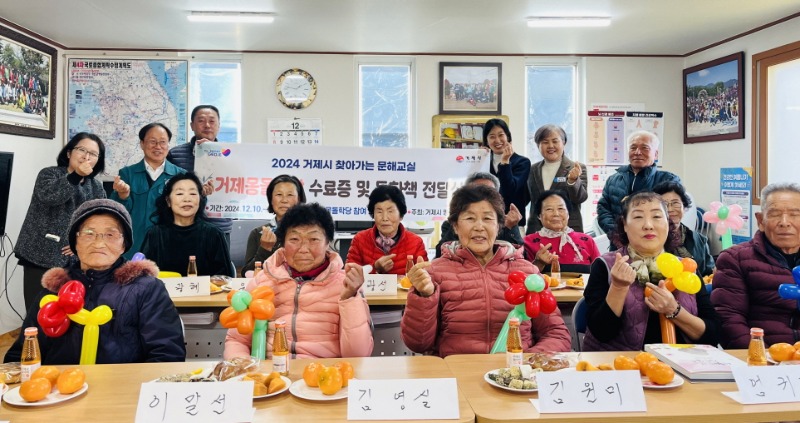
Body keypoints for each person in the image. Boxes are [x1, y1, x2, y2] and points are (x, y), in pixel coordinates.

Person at [4, 199, 185, 364]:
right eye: (89, 233)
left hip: (121, 394)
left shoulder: (146, 288)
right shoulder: (54, 290)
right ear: (74, 242)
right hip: (59, 392)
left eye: (110, 235)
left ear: (124, 245)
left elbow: (166, 354)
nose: (99, 243)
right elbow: (22, 353)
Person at [400, 185, 571, 357]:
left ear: (499, 226)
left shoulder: (528, 272)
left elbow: (556, 334)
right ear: (455, 226)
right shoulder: (435, 272)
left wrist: (525, 361)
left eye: (488, 218)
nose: (479, 227)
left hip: (515, 376)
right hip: (458, 372)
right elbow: (418, 344)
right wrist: (424, 296)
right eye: (470, 218)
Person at [224, 203, 373, 359]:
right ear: (282, 242)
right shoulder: (263, 280)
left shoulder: (345, 285)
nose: (303, 248)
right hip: (271, 374)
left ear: (327, 242)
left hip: (324, 375)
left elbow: (358, 355)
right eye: (294, 239)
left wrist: (349, 298)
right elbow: (237, 340)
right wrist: (244, 368)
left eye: (313, 239)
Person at [583, 192, 718, 351]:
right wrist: (618, 287)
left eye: (656, 217)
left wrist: (674, 310)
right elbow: (601, 333)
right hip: (624, 367)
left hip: (682, 367)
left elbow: (713, 335)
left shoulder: (686, 267)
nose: (648, 225)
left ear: (668, 224)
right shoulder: (606, 265)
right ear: (624, 225)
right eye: (638, 217)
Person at [15, 132, 107, 311]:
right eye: (81, 150)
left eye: (93, 154)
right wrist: (75, 176)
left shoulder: (95, 186)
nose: (86, 157)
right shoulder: (48, 174)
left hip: (77, 260)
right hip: (40, 256)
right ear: (68, 153)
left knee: (71, 315)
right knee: (39, 312)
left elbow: (98, 220)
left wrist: (79, 244)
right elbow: (50, 197)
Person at [712, 182, 800, 348]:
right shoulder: (734, 259)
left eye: (795, 214)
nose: (784, 222)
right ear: (760, 220)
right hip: (762, 359)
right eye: (774, 214)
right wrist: (760, 357)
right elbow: (729, 319)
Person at [111, 122, 186, 259]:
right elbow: (116, 213)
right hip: (134, 247)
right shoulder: (127, 174)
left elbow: (190, 211)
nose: (158, 146)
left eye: (163, 142)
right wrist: (122, 195)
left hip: (169, 245)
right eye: (152, 141)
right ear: (142, 144)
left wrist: (202, 194)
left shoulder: (181, 176)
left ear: (168, 145)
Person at [140, 173, 233, 277]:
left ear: (200, 199)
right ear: (168, 201)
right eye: (180, 194)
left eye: (193, 194)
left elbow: (225, 277)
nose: (187, 199)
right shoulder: (155, 234)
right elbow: (143, 276)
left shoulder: (214, 234)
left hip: (206, 293)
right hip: (165, 293)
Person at [596, 130, 680, 239]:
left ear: (655, 154)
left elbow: (673, 214)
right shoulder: (613, 179)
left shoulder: (669, 180)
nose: (637, 152)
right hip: (619, 244)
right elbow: (603, 209)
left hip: (655, 244)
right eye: (633, 148)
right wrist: (618, 233)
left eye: (644, 148)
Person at [167, 105, 232, 244]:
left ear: (219, 126)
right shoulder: (175, 154)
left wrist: (213, 152)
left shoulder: (230, 154)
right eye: (201, 121)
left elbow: (240, 187)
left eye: (212, 121)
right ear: (192, 125)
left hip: (219, 225)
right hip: (184, 225)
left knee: (218, 266)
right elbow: (167, 189)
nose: (207, 125)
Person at [435, 172, 523, 258]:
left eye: (488, 192)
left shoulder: (505, 221)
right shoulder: (451, 224)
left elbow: (521, 255)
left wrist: (510, 227)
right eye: (476, 192)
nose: (479, 227)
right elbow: (440, 252)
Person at [346, 185, 428, 274]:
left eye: (390, 211)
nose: (385, 218)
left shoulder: (416, 242)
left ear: (401, 215)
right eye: (379, 211)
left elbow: (425, 278)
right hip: (369, 288)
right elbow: (350, 275)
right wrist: (375, 268)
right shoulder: (360, 239)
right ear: (373, 214)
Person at [526, 124, 588, 233]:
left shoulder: (576, 168)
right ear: (538, 145)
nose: (550, 146)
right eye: (545, 142)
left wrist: (573, 181)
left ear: (563, 143)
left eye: (555, 141)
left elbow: (580, 198)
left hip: (568, 231)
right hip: (537, 231)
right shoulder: (532, 169)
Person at [241, 174, 307, 276]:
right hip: (266, 290)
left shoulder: (310, 232)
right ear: (271, 200)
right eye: (279, 195)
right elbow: (246, 273)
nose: (284, 200)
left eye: (290, 195)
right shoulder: (258, 233)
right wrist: (265, 249)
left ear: (299, 199)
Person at [523, 190, 601, 271]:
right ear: (539, 216)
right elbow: (522, 278)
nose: (556, 214)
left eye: (561, 208)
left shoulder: (587, 240)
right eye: (549, 209)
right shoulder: (528, 242)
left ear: (568, 214)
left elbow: (600, 274)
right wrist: (539, 263)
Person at [653, 181, 714, 277]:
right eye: (664, 204)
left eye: (675, 203)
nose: (670, 209)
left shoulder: (700, 240)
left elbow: (708, 273)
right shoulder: (651, 239)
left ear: (684, 208)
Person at [483, 118, 531, 227]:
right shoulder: (483, 162)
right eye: (492, 136)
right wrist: (478, 159)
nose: (497, 140)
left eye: (501, 135)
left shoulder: (522, 162)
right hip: (487, 222)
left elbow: (510, 190)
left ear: (508, 137)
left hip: (513, 223)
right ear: (486, 141)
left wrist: (505, 162)